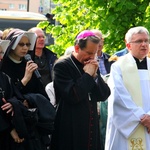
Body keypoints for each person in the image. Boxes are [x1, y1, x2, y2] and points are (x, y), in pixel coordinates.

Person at [50, 30, 110, 150]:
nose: (92, 57)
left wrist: (95, 76)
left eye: (94, 54)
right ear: (77, 48)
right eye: (88, 53)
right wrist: (88, 75)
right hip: (70, 124)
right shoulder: (62, 66)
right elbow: (73, 96)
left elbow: (104, 95)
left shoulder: (91, 64)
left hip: (90, 125)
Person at [0, 28, 56, 150]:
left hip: (31, 121)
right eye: (21, 44)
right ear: (12, 45)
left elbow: (40, 94)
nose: (25, 48)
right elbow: (7, 97)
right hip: (12, 124)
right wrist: (25, 80)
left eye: (28, 44)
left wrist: (29, 100)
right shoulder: (4, 67)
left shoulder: (29, 64)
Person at [105, 26, 150, 150]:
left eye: (146, 41)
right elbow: (118, 96)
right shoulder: (118, 67)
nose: (144, 44)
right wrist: (142, 117)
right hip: (128, 126)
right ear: (128, 45)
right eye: (139, 41)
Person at [91, 29, 113, 150]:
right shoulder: (87, 60)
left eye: (101, 40)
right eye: (96, 39)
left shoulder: (111, 59)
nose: (99, 42)